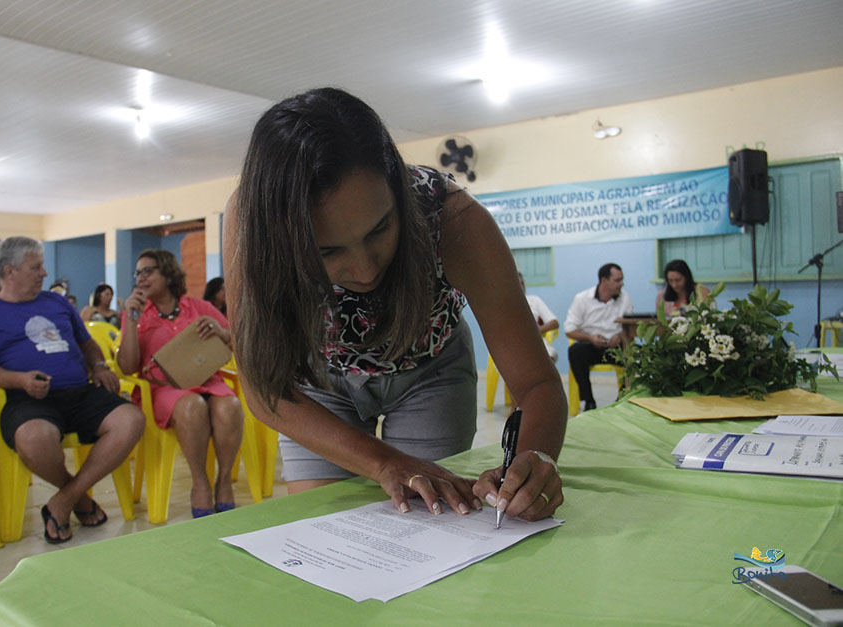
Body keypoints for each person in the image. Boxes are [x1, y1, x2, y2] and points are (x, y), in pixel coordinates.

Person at [224, 87, 566, 523]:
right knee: (327, 533)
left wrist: (533, 459)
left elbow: (536, 383)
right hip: (314, 381)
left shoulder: (454, 220)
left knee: (439, 526)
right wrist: (384, 462)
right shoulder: (250, 223)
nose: (364, 270)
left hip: (430, 372)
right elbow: (263, 385)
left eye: (380, 229)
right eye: (328, 252)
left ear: (399, 192)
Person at [0, 237, 144, 544]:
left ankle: (64, 500)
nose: (44, 273)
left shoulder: (57, 303)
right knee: (34, 441)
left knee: (131, 420)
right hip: (27, 398)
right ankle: (81, 500)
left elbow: (87, 342)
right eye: (36, 267)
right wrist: (20, 380)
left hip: (80, 392)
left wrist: (99, 366)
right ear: (10, 271)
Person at [117, 250, 243, 517]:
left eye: (147, 271)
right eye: (137, 273)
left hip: (206, 379)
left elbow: (233, 337)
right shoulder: (137, 314)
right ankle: (200, 484)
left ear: (167, 272)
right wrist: (131, 319)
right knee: (191, 405)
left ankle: (224, 481)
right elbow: (127, 367)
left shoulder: (197, 307)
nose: (140, 278)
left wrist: (221, 333)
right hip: (163, 390)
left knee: (230, 405)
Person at [564, 263, 634, 412]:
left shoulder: (625, 298)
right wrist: (590, 338)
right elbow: (569, 330)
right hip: (591, 346)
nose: (622, 284)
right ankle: (588, 400)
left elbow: (630, 328)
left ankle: (621, 398)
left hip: (616, 348)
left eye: (622, 280)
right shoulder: (582, 299)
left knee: (636, 354)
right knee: (575, 351)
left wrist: (620, 337)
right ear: (604, 281)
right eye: (617, 280)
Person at [518, 273, 558, 362]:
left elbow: (554, 323)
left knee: (549, 355)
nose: (521, 287)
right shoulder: (503, 306)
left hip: (535, 340)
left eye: (522, 283)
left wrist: (535, 332)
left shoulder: (534, 300)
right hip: (513, 343)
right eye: (518, 284)